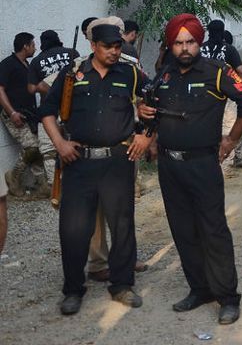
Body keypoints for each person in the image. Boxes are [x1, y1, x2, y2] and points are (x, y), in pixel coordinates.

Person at [138, 13, 242, 325]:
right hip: (169, 165)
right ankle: (199, 288)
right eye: (178, 43)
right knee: (183, 230)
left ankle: (228, 297)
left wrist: (231, 140)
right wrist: (144, 111)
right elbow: (152, 113)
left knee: (213, 230)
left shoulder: (217, 71)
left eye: (190, 41)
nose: (185, 48)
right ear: (171, 45)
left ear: (198, 42)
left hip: (203, 164)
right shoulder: (164, 74)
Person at [40, 23, 152, 315]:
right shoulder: (71, 75)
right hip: (79, 162)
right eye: (107, 46)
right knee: (74, 229)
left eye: (117, 46)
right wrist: (59, 144)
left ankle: (122, 285)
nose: (115, 51)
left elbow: (154, 99)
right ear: (93, 46)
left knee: (122, 225)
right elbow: (47, 112)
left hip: (118, 161)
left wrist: (145, 134)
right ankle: (73, 290)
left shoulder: (129, 72)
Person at [28, 30, 81, 190]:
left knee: (49, 151)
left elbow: (31, 89)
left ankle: (55, 186)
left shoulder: (36, 61)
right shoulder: (73, 53)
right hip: (73, 108)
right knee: (76, 143)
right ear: (58, 40)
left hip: (50, 111)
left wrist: (49, 86)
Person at [200, 20, 242, 173]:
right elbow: (240, 70)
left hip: (204, 95)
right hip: (226, 94)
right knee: (228, 127)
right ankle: (225, 166)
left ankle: (207, 162)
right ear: (222, 33)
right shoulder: (229, 49)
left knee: (207, 126)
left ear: (208, 31)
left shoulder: (200, 49)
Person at [1, 32, 46, 197]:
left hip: (29, 114)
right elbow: (0, 90)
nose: (35, 47)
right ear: (25, 46)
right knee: (32, 147)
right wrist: (11, 112)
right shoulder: (8, 64)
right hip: (14, 114)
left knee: (38, 147)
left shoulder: (26, 64)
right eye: (33, 45)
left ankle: (42, 186)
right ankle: (13, 177)